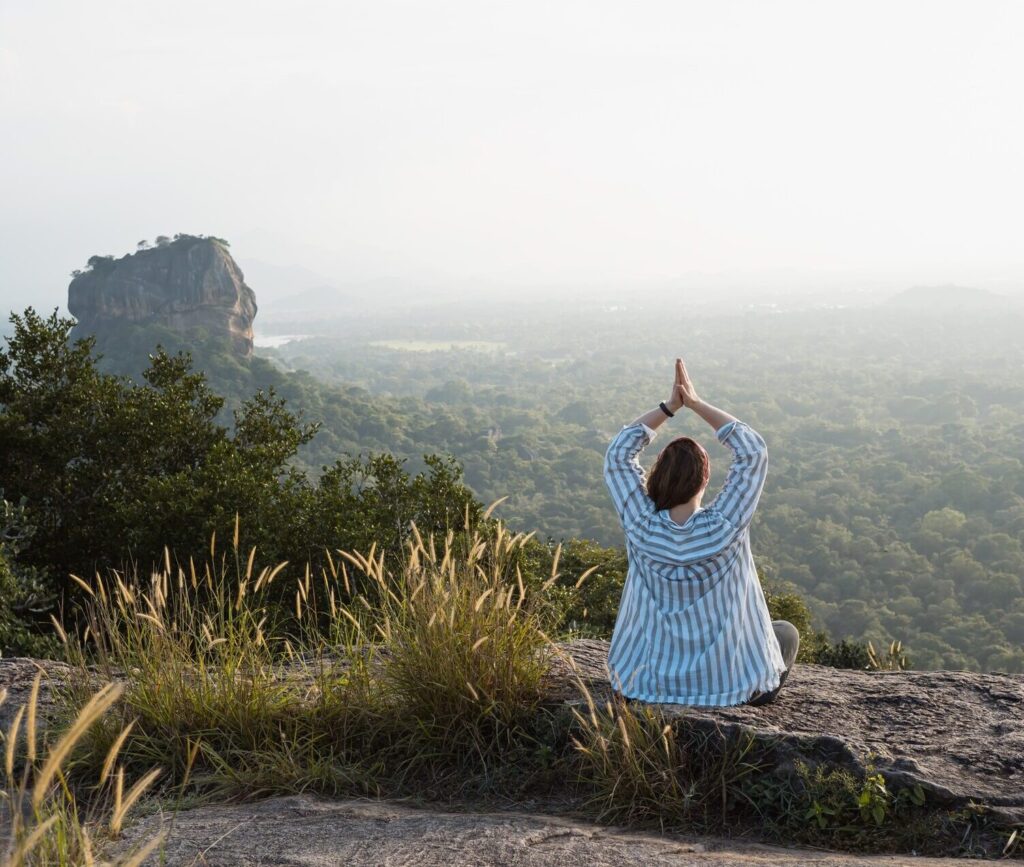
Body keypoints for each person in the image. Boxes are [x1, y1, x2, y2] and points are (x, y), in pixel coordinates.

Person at [603, 357, 799, 707]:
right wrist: (695, 403)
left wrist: (669, 408)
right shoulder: (727, 526)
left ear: (657, 477)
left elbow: (618, 455)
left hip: (644, 686)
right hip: (732, 688)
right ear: (706, 480)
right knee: (785, 632)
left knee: (782, 630)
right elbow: (752, 452)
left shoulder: (640, 526)